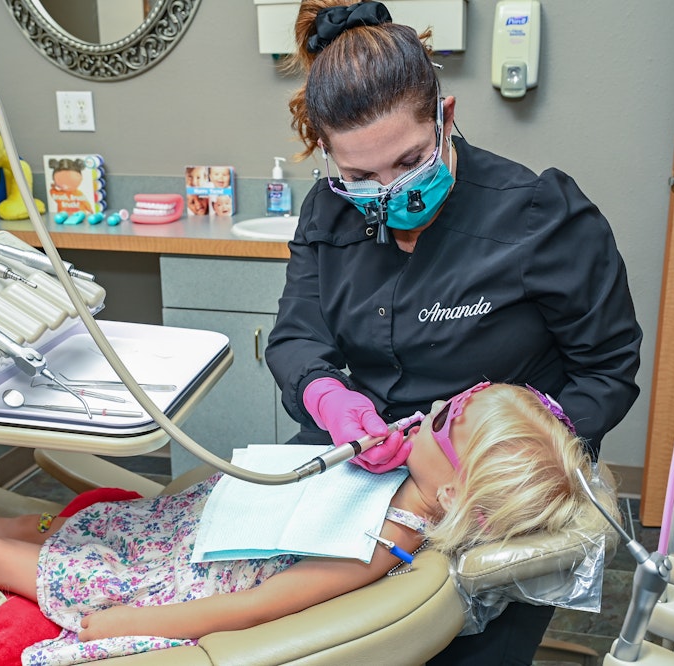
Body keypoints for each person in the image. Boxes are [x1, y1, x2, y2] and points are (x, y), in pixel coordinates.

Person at [265, 1, 643, 663]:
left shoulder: (541, 216)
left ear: (445, 116)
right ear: (326, 155)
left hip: (485, 506)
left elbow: (608, 370)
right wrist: (331, 401)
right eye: (359, 177)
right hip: (362, 483)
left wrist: (514, 445)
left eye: (410, 162)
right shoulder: (327, 214)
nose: (390, 195)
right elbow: (296, 339)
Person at [0, 384, 614, 665]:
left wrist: (127, 623)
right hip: (183, 539)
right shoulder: (402, 473)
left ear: (458, 487)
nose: (435, 416)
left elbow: (249, 610)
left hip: (165, 586)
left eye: (447, 426)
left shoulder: (380, 548)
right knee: (30, 531)